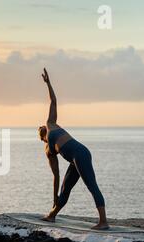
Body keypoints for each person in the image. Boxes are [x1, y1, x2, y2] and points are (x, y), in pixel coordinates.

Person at [38, 68, 109, 230]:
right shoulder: (49, 150)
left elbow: (53, 101)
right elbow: (56, 176)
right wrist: (54, 196)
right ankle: (52, 215)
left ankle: (103, 221)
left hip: (81, 154)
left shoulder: (50, 124)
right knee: (66, 187)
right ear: (42, 138)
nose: (42, 126)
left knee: (92, 186)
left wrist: (48, 83)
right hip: (76, 159)